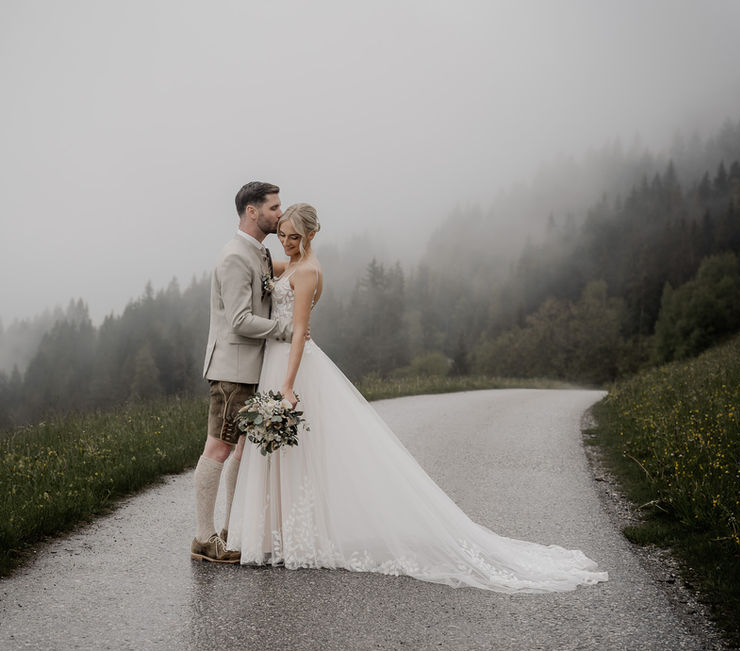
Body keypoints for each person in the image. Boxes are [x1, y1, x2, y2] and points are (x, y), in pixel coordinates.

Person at [227, 203, 608, 591]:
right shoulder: (286, 264)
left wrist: (288, 386)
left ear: (311, 236)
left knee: (299, 451)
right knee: (279, 452)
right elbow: (257, 269)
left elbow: (299, 332)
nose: (288, 243)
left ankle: (294, 537)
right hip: (272, 360)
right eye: (283, 235)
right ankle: (275, 536)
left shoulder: (307, 271)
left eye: (295, 237)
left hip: (292, 364)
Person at [191, 181, 293, 563]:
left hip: (252, 368)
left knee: (242, 450)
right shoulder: (235, 255)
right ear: (252, 211)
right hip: (232, 369)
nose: (279, 213)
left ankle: (234, 531)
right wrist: (286, 330)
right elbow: (239, 320)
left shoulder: (259, 253)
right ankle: (204, 537)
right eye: (274, 207)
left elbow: (277, 278)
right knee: (219, 446)